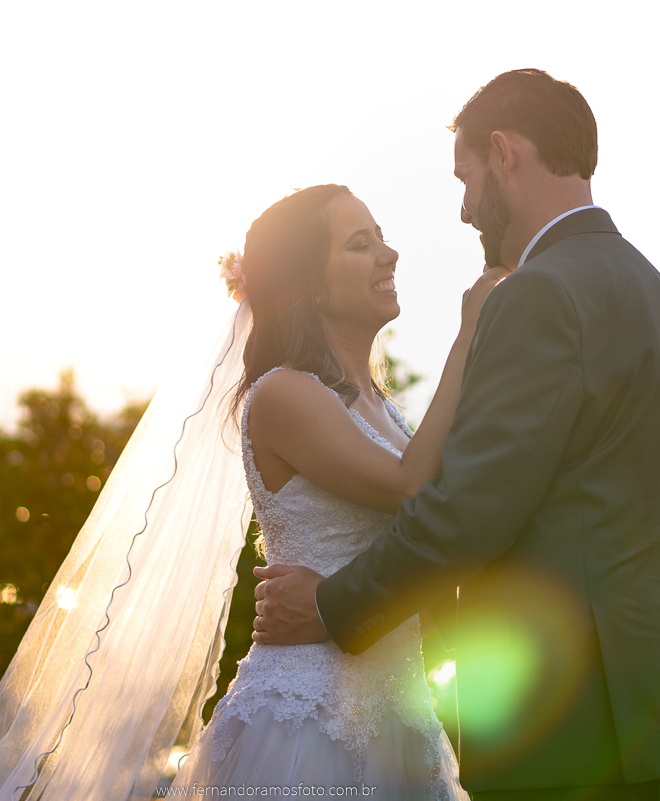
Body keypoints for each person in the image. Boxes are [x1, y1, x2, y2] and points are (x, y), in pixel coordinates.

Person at [251, 69, 660, 801]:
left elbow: (470, 510)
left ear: (505, 154)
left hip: (573, 727)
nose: (464, 210)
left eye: (467, 178)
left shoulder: (540, 295)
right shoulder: (659, 298)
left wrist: (332, 606)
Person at [169, 184, 509, 798]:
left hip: (401, 717)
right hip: (309, 723)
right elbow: (413, 488)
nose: (389, 254)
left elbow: (438, 522)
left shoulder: (383, 409)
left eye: (381, 238)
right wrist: (471, 334)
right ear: (313, 286)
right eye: (360, 244)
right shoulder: (284, 392)